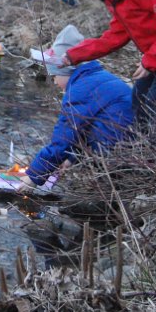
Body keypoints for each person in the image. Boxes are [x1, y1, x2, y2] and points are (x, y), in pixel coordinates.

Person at [17, 25, 134, 190]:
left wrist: (33, 177)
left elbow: (64, 139)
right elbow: (89, 127)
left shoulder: (80, 89)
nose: (54, 82)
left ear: (67, 71)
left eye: (54, 76)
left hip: (118, 156)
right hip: (132, 146)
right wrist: (72, 158)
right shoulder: (97, 77)